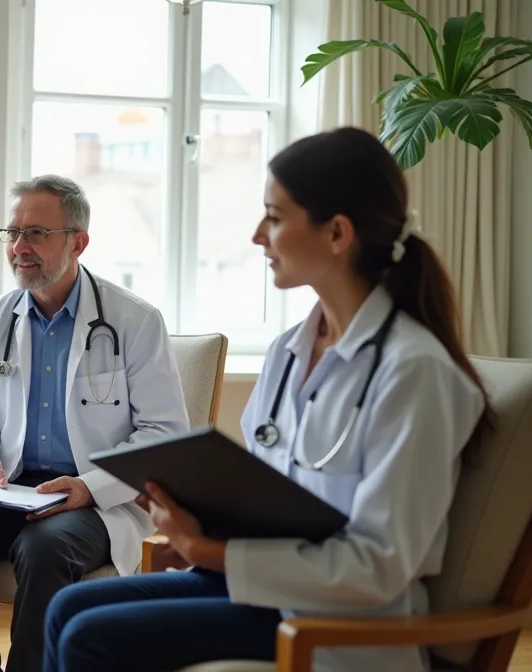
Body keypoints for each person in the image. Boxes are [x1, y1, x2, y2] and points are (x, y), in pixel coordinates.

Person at [42, 127, 492, 672]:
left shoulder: (414, 373)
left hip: (336, 623)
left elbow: (378, 566)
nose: (258, 235)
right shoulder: (289, 351)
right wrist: (194, 516)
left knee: (92, 637)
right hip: (264, 592)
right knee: (66, 607)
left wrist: (213, 552)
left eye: (275, 218)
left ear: (337, 233)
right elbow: (261, 490)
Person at [0, 174, 191, 672]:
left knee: (42, 548)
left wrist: (88, 488)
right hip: (11, 489)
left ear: (78, 242)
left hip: (97, 500)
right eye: (13, 233)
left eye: (37, 234)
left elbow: (164, 434)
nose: (20, 247)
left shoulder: (134, 320)